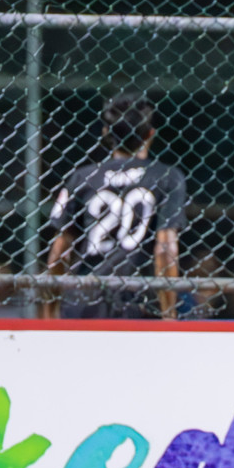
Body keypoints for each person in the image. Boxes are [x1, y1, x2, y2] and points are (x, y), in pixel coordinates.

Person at [42, 93, 186, 319]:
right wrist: (169, 312)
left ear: (106, 133)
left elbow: (60, 252)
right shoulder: (166, 176)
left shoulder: (83, 177)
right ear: (150, 134)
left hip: (86, 300)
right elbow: (165, 248)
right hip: (139, 299)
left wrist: (49, 312)